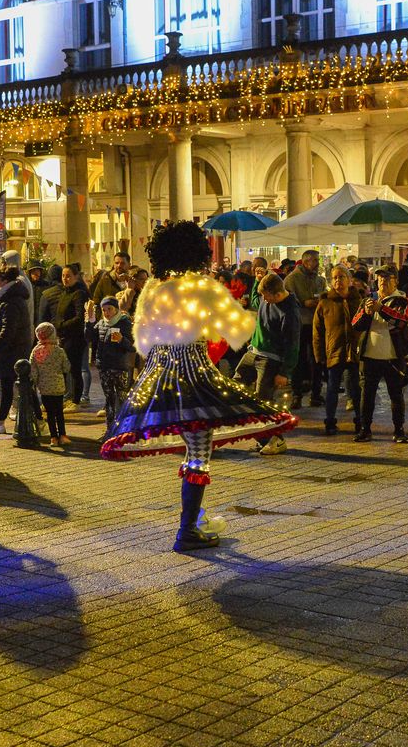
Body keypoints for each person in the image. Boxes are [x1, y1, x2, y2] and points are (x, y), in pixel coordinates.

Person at [101, 220, 295, 552]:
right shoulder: (202, 288)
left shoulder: (153, 290)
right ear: (197, 254)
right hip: (195, 379)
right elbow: (238, 331)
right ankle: (188, 528)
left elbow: (143, 343)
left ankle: (193, 521)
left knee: (192, 451)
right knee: (199, 455)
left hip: (159, 379)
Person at [235, 273, 299, 455]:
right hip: (253, 352)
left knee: (262, 401)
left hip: (270, 359)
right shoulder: (266, 300)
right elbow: (256, 300)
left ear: (277, 294)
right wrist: (257, 280)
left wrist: (285, 372)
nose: (263, 300)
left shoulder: (289, 313)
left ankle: (275, 439)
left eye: (266, 296)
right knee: (236, 386)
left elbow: (293, 344)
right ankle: (262, 437)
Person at [351, 266, 408, 443]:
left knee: (396, 395)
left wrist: (381, 309)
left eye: (387, 278)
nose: (382, 282)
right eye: (379, 279)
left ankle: (399, 430)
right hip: (370, 356)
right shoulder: (368, 300)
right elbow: (355, 324)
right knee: (367, 395)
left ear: (396, 281)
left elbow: (402, 321)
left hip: (393, 357)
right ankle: (365, 429)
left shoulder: (404, 301)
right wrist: (366, 313)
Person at [313, 266, 364, 435]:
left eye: (341, 277)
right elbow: (317, 331)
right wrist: (319, 355)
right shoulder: (325, 303)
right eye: (334, 277)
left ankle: (360, 420)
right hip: (334, 351)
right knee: (332, 388)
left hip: (354, 352)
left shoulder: (358, 301)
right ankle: (330, 421)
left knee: (356, 388)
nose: (337, 280)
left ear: (349, 280)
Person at [0, 266, 33, 436]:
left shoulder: (9, 301)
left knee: (7, 385)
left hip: (12, 350)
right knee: (15, 385)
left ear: (4, 281)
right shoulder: (8, 297)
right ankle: (35, 419)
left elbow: (8, 329)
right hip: (15, 348)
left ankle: (0, 422)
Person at [283, 249, 326, 408]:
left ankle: (316, 393)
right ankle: (297, 395)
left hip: (316, 324)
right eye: (315, 260)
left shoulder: (320, 280)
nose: (317, 264)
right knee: (298, 360)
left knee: (317, 359)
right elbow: (287, 300)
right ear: (306, 262)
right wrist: (302, 303)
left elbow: (324, 295)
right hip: (299, 324)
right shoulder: (292, 279)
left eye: (318, 260)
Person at [45, 265, 89, 407]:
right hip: (64, 336)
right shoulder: (65, 292)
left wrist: (62, 325)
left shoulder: (79, 293)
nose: (65, 279)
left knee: (75, 369)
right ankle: (67, 397)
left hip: (75, 337)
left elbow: (79, 317)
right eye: (63, 276)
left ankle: (76, 400)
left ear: (76, 276)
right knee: (65, 368)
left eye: (68, 276)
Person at [92, 295, 135, 422]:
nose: (106, 313)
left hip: (120, 366)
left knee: (122, 397)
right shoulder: (101, 324)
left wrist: (122, 340)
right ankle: (110, 426)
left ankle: (123, 425)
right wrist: (90, 320)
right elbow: (89, 337)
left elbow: (132, 347)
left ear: (116, 309)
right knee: (109, 397)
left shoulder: (124, 323)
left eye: (109, 309)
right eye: (104, 310)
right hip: (104, 366)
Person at [30, 323, 70, 446]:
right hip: (58, 386)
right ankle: (62, 435)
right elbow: (66, 367)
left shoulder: (36, 351)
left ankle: (53, 437)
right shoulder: (59, 351)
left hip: (44, 387)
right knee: (59, 412)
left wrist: (34, 383)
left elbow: (33, 371)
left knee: (50, 413)